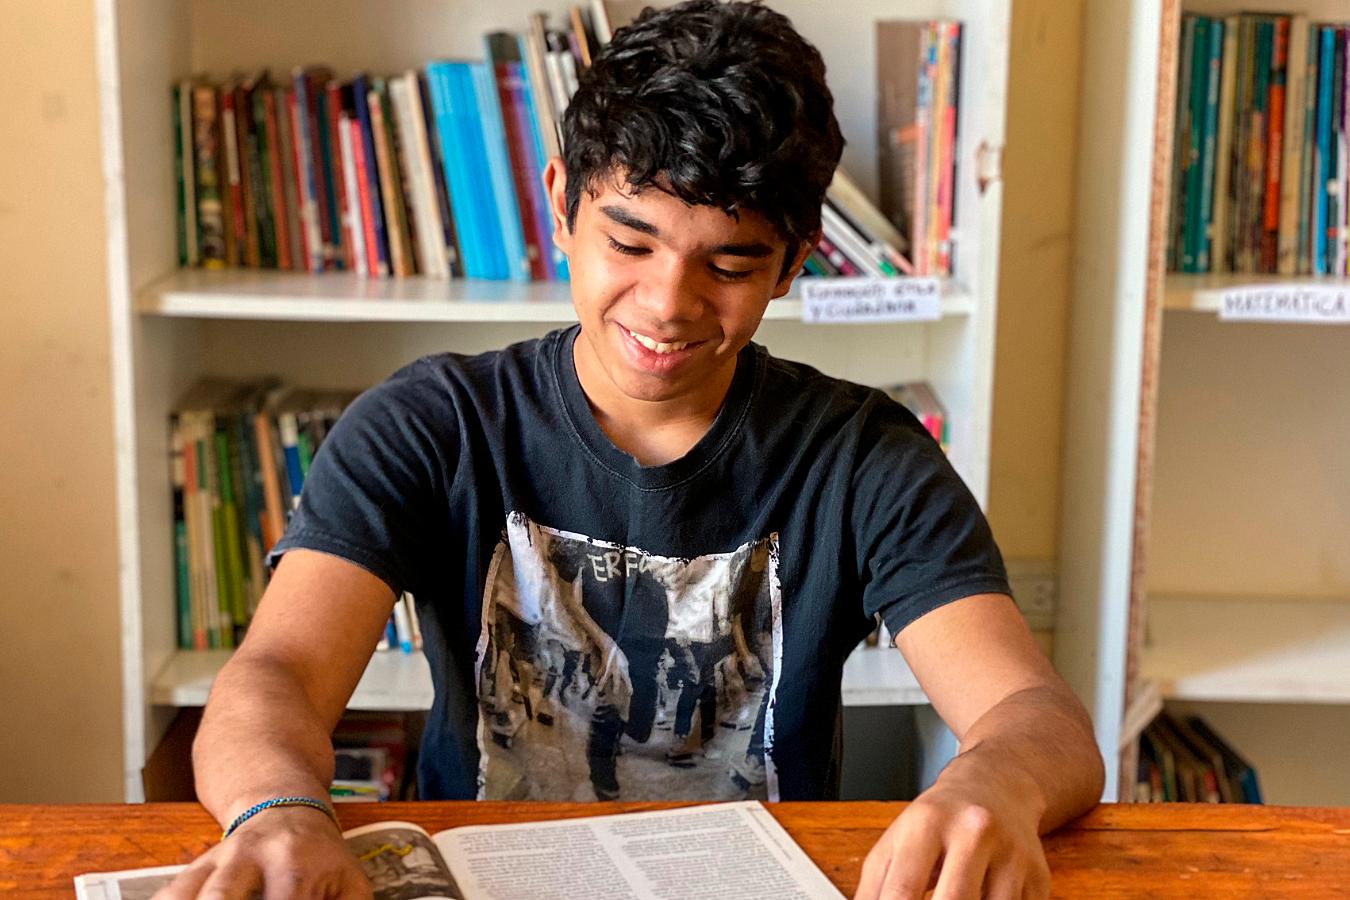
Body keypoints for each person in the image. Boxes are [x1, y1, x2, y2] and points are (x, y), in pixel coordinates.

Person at [155, 2, 1104, 899]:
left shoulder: (861, 458)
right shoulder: (432, 424)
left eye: (728, 263)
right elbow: (276, 673)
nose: (667, 305)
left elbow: (1034, 714)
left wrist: (993, 783)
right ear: (561, 202)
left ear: (792, 262)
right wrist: (276, 810)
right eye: (630, 242)